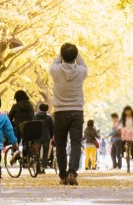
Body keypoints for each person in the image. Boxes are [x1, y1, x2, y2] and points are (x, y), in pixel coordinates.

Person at [48, 42, 89, 186]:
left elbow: (55, 61)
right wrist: (74, 53)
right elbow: (83, 63)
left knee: (60, 145)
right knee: (76, 143)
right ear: (76, 56)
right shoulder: (82, 71)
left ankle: (63, 176)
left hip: (60, 112)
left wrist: (63, 52)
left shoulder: (55, 70)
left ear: (62, 55)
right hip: (77, 111)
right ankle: (72, 172)